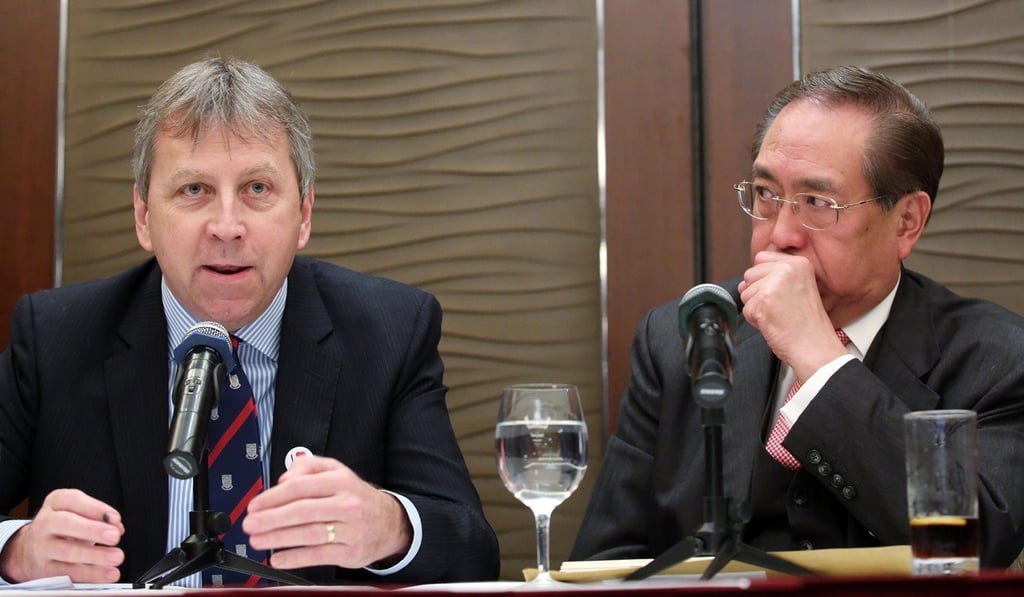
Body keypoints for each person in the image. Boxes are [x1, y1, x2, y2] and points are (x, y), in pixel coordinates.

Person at [0, 56, 499, 586]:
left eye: (257, 189)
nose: (227, 226)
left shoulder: (391, 330)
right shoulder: (56, 336)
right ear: (144, 217)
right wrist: (14, 552)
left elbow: (472, 550)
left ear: (303, 214)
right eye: (194, 190)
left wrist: (390, 526)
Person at [571, 65, 1024, 568]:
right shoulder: (692, 333)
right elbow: (605, 561)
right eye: (766, 194)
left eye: (817, 202)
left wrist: (821, 362)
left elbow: (980, 552)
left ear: (907, 221)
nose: (782, 233)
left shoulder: (996, 359)